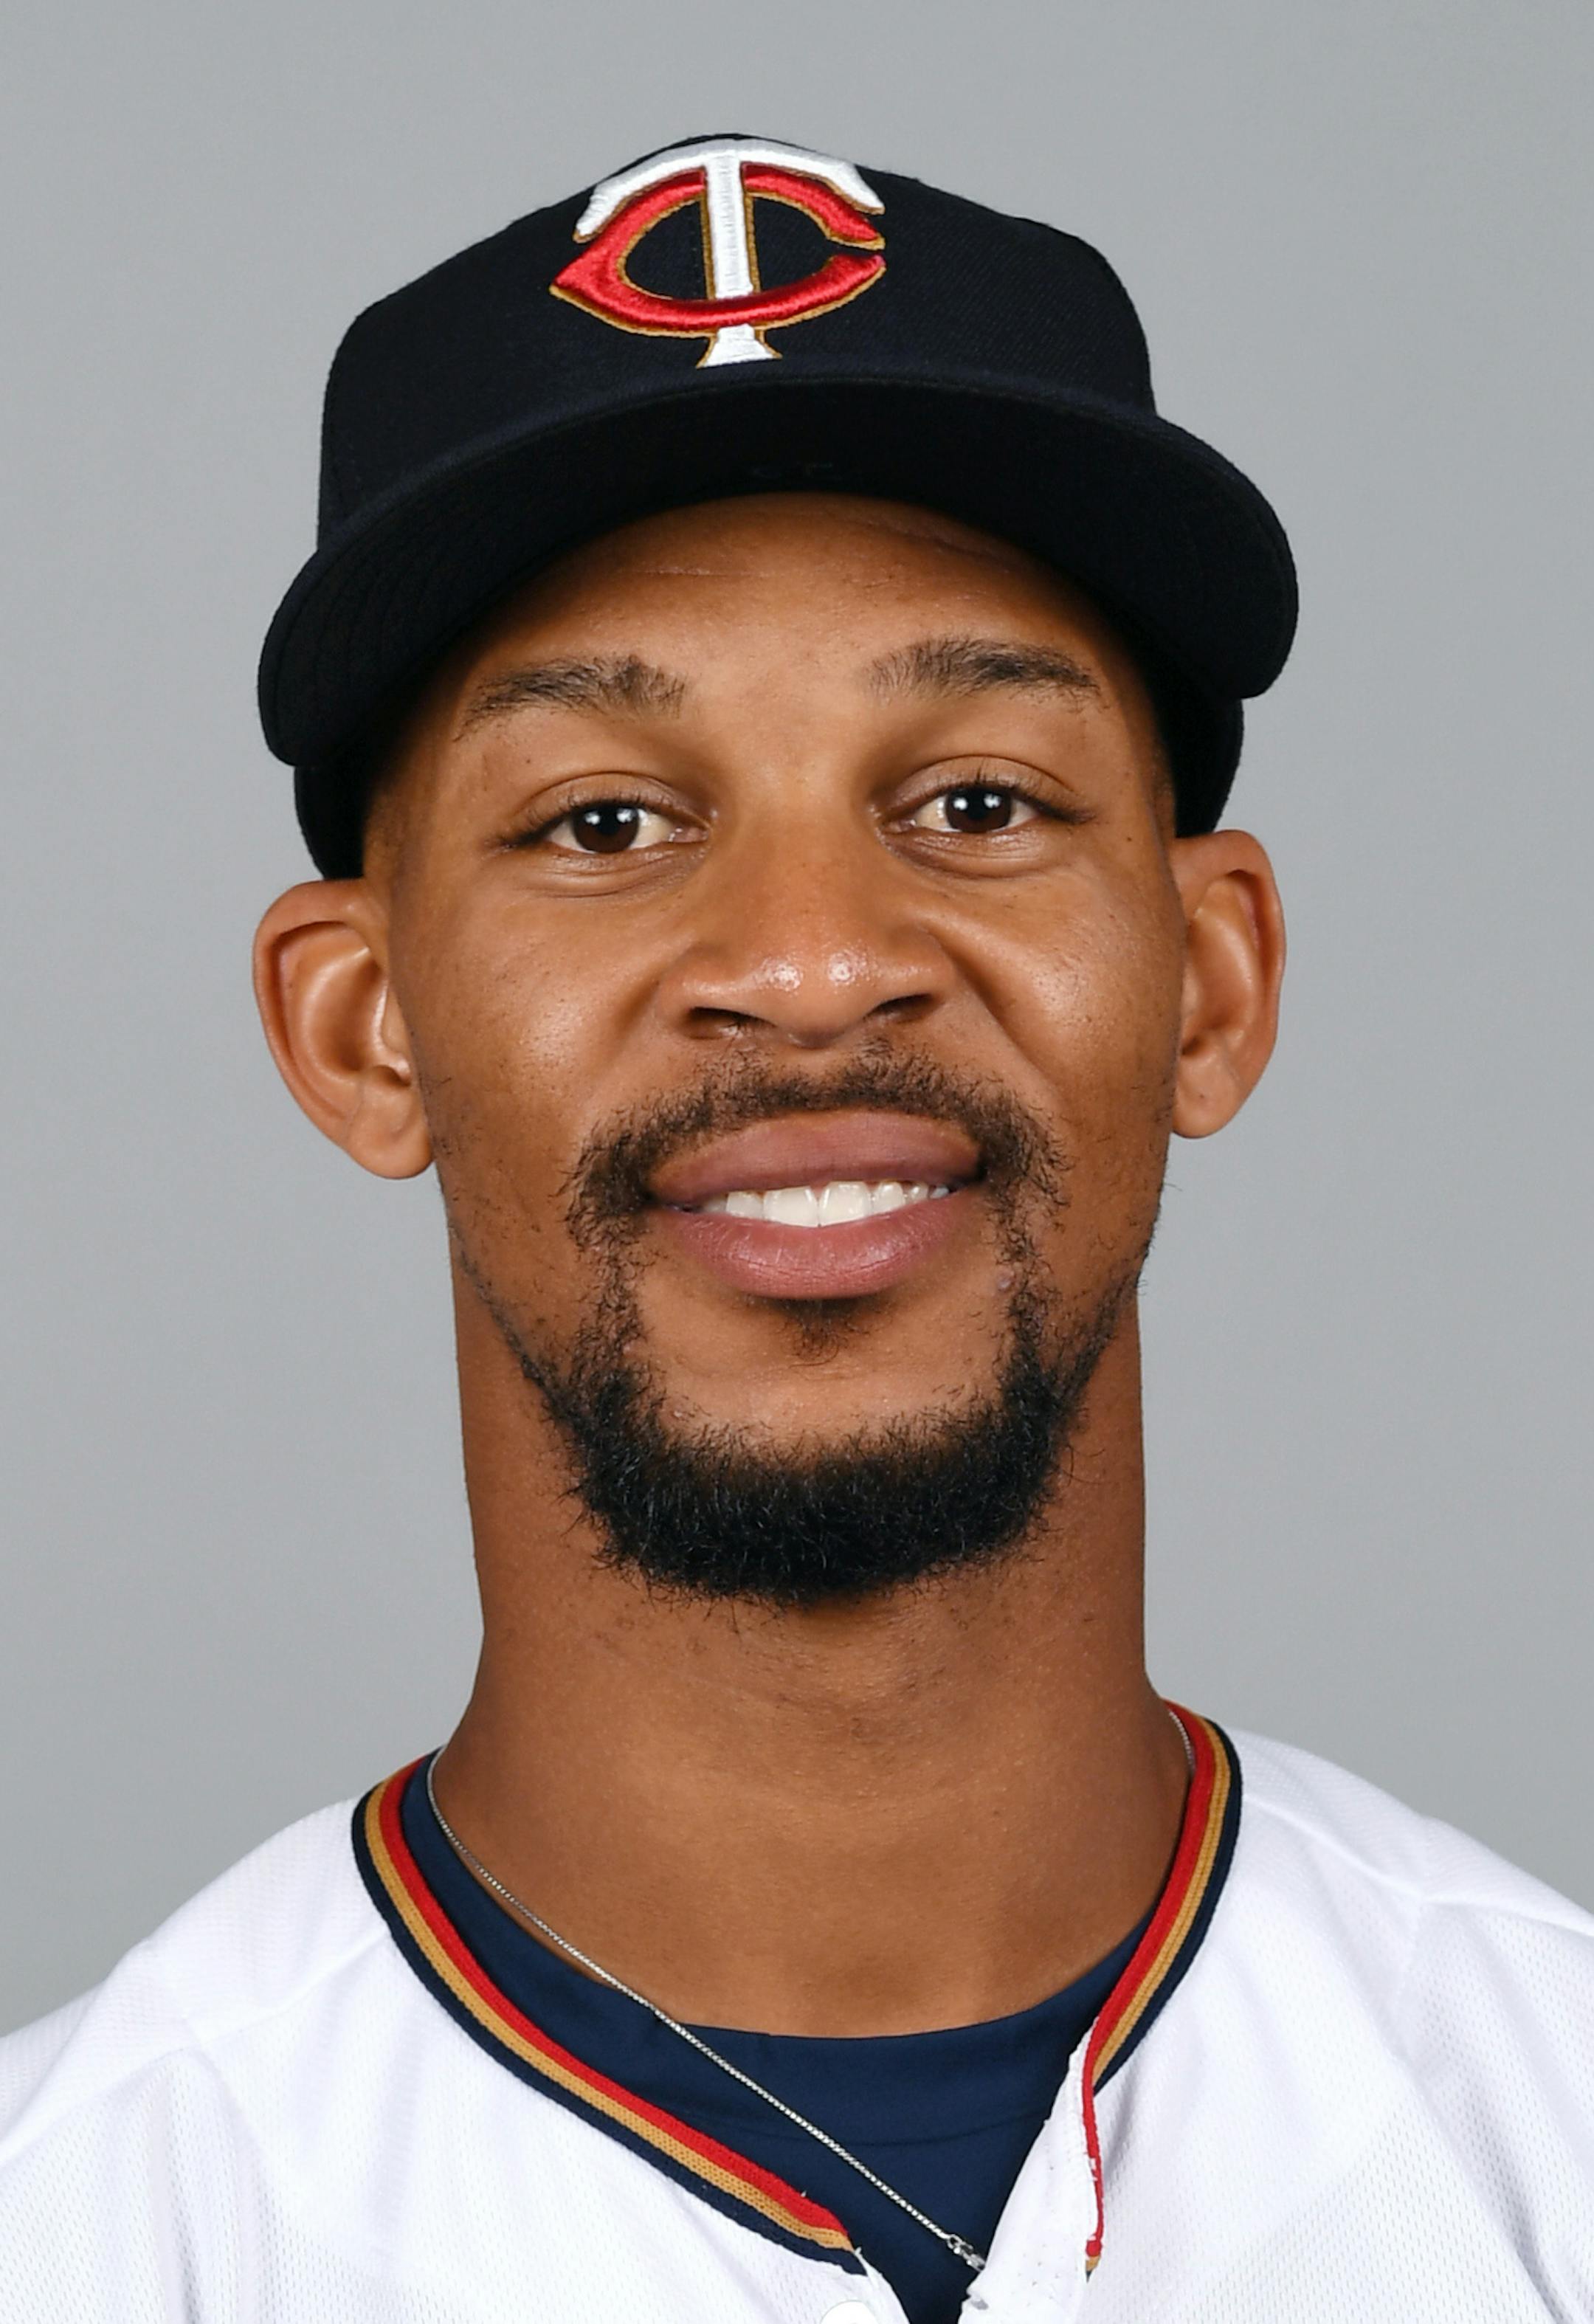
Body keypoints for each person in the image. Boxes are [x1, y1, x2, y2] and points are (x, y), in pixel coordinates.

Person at [1, 133, 1589, 2324]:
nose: (820, 962)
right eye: (610, 822)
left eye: (975, 803)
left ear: (1213, 982)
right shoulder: (81, 2232)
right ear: (363, 1031)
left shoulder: (1552, 2124)